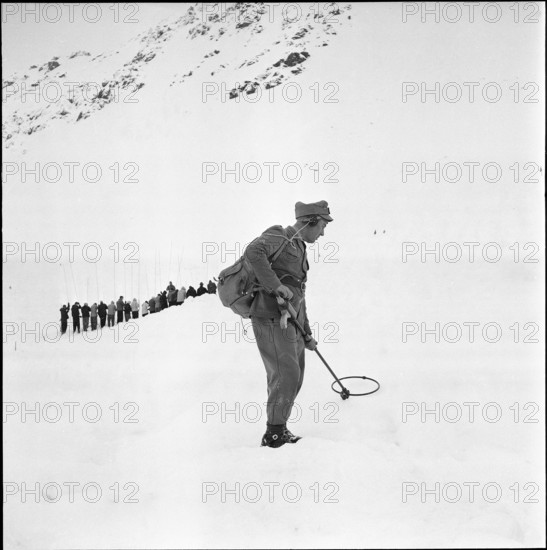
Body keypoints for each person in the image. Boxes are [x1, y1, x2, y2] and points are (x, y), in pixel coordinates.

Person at [245, 200, 330, 448]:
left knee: (296, 375)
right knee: (286, 374)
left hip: (291, 321)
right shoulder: (279, 236)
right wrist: (275, 286)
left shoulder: (300, 248)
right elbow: (253, 252)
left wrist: (308, 335)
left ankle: (279, 427)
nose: (323, 233)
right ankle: (274, 434)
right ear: (310, 221)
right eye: (322, 226)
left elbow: (298, 297)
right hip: (271, 318)